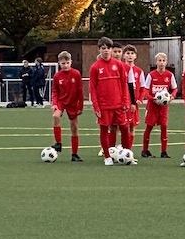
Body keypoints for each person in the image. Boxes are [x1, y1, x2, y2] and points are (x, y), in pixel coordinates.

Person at [88, 37, 131, 165]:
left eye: (108, 48)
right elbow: (92, 89)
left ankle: (127, 154)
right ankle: (107, 156)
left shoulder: (118, 65)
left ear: (111, 50)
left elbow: (124, 85)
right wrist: (96, 107)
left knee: (124, 128)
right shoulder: (95, 67)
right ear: (99, 50)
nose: (105, 51)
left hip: (119, 105)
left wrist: (126, 101)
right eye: (103, 48)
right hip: (104, 106)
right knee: (104, 129)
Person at [49, 50, 84, 161]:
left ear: (71, 62)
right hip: (61, 101)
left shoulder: (76, 74)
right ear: (59, 63)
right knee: (55, 116)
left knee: (74, 128)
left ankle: (74, 154)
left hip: (73, 103)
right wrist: (54, 103)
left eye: (67, 63)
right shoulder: (57, 76)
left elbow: (80, 92)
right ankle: (58, 143)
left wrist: (80, 106)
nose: (65, 65)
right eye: (63, 63)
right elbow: (54, 91)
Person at [141, 51, 177, 158]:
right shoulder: (151, 75)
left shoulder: (169, 75)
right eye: (159, 61)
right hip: (152, 106)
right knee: (149, 127)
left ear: (166, 63)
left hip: (163, 107)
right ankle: (145, 150)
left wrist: (172, 96)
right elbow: (145, 91)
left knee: (164, 127)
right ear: (156, 62)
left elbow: (175, 88)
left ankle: (164, 151)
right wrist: (153, 99)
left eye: (163, 61)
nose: (161, 63)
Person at [121, 45, 148, 153]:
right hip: (123, 103)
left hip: (133, 104)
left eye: (132, 53)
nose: (130, 56)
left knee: (132, 127)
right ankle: (114, 149)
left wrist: (140, 99)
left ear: (135, 56)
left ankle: (128, 151)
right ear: (124, 56)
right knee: (121, 127)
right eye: (127, 53)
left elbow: (143, 87)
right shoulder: (121, 68)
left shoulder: (139, 71)